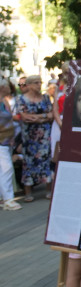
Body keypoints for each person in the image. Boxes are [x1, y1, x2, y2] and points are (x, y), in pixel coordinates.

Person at [14, 75, 53, 201]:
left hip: (44, 136)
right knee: (29, 162)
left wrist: (36, 117)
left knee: (45, 161)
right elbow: (25, 117)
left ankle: (48, 190)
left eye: (40, 82)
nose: (39, 85)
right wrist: (43, 117)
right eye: (36, 83)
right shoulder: (22, 99)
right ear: (29, 85)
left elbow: (51, 115)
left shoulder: (46, 98)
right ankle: (28, 193)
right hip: (29, 137)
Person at [0, 79, 21, 210]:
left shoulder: (4, 101)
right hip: (1, 141)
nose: (10, 88)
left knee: (4, 169)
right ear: (2, 87)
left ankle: (5, 198)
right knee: (6, 169)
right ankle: (8, 199)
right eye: (8, 86)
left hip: (7, 141)